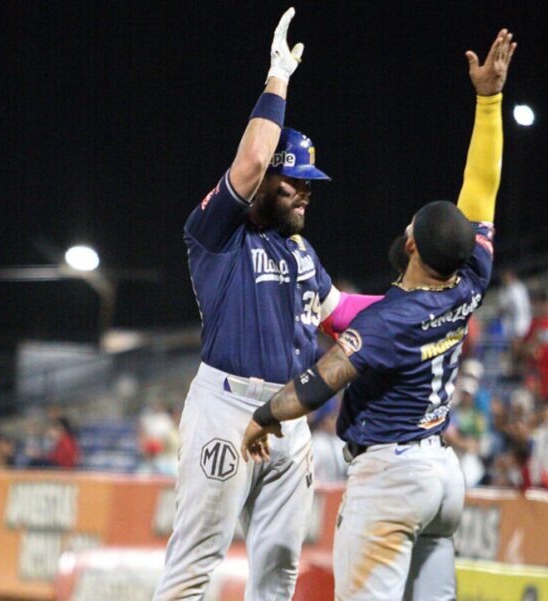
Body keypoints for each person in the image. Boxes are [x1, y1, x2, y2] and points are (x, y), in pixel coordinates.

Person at [241, 30, 516, 600]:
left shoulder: (391, 322)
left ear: (412, 245)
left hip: (391, 478)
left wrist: (265, 415)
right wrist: (488, 103)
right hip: (441, 476)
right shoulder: (471, 277)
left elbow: (320, 383)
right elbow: (482, 187)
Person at [154, 9, 380, 600]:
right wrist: (277, 76)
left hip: (291, 417)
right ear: (264, 185)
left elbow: (340, 313)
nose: (306, 189)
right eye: (294, 180)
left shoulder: (300, 249)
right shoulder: (216, 234)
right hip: (226, 408)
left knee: (278, 576)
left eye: (309, 181)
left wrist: (415, 306)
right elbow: (251, 163)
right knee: (193, 569)